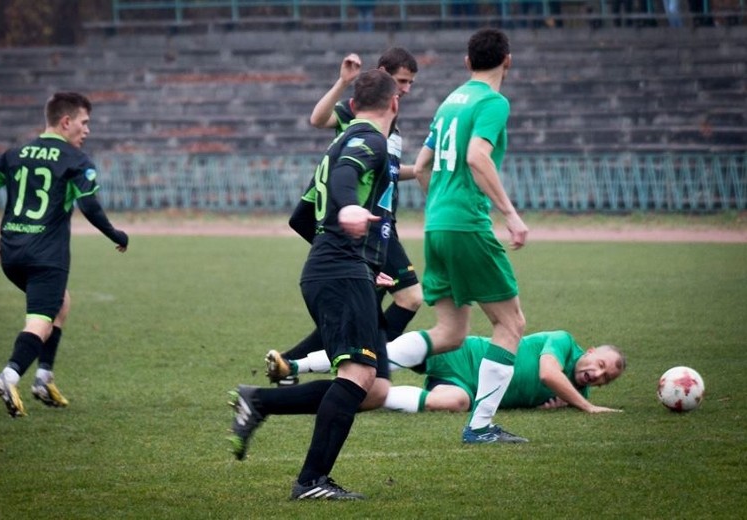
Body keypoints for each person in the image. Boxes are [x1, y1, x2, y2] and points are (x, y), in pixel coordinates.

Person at [228, 69, 399, 500]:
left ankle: (261, 401)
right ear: (394, 104)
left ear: (354, 105)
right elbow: (345, 179)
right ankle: (311, 481)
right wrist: (348, 213)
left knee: (371, 385)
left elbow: (300, 217)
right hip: (338, 269)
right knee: (359, 374)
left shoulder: (337, 141)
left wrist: (350, 256)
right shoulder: (369, 141)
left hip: (334, 266)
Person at [383, 28, 531, 444]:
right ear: (508, 60)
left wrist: (440, 208)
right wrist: (511, 215)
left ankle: (350, 370)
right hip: (466, 224)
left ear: (467, 63)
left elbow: (423, 165)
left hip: (437, 225)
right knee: (511, 323)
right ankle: (481, 426)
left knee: (450, 333)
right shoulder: (492, 102)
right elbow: (476, 156)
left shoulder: (451, 101)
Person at [0, 91, 128, 418]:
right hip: (46, 258)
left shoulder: (16, 154)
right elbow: (89, 205)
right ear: (66, 121)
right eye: (84, 123)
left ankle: (43, 377)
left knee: (62, 302)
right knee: (40, 322)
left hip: (12, 255)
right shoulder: (75, 160)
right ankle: (9, 375)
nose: (87, 130)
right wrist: (116, 234)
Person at [268, 48, 421, 385]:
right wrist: (343, 82)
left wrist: (422, 170)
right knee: (406, 298)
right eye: (401, 82)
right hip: (367, 228)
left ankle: (294, 365)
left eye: (410, 83)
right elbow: (317, 120)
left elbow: (389, 171)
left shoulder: (391, 127)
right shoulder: (362, 120)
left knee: (354, 309)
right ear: (382, 75)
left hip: (375, 226)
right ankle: (372, 369)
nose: (406, 89)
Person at [383, 331, 626, 414]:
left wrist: (561, 404)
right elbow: (548, 374)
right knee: (400, 356)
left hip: (467, 387)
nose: (596, 375)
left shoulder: (575, 395)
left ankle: (372, 396)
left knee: (456, 402)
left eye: (604, 379)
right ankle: (360, 362)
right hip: (465, 353)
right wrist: (587, 407)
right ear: (591, 351)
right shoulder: (564, 341)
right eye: (600, 365)